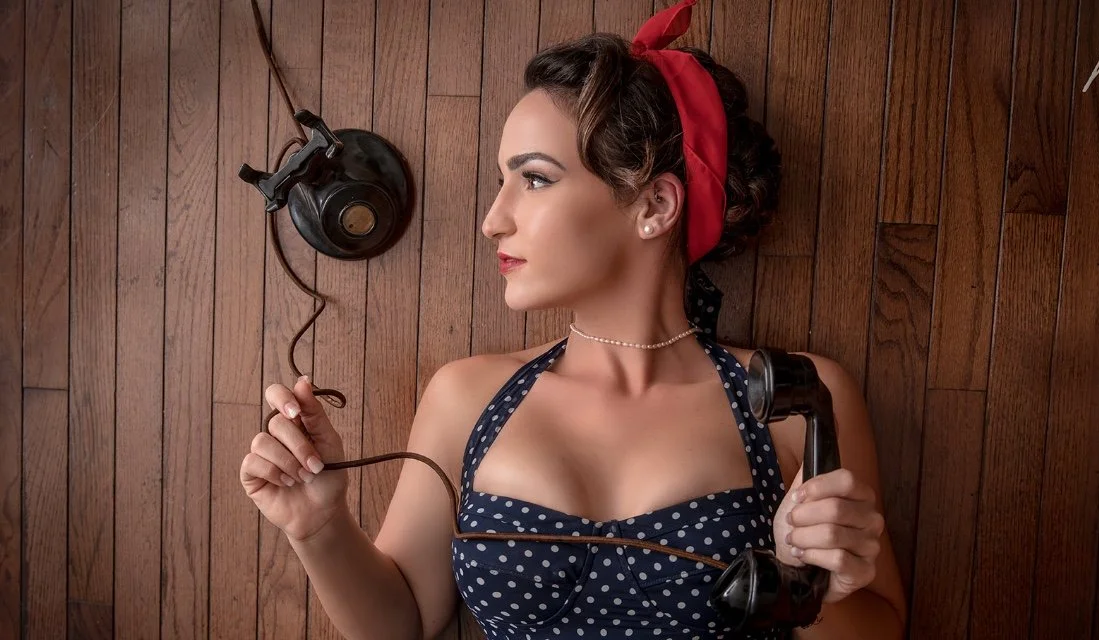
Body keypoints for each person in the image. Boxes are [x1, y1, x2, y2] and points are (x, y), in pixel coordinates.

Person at [239, 2, 907, 638]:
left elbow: (884, 628)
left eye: (533, 179)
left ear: (654, 206)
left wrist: (813, 586)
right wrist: (318, 529)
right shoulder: (466, 398)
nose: (492, 219)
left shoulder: (797, 400)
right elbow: (404, 622)